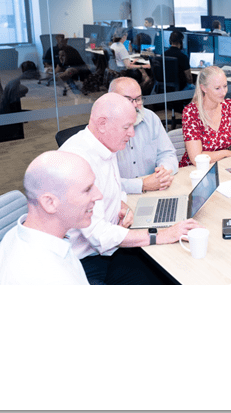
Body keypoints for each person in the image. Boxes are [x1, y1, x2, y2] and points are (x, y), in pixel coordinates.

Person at [60, 93, 199, 284]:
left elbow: (111, 188)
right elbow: (99, 236)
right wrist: (161, 235)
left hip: (107, 251)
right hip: (83, 263)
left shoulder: (105, 145)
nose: (132, 134)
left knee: (172, 272)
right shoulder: (78, 161)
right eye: (126, 127)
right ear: (102, 124)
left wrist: (121, 205)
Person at [0, 151, 100, 285]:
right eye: (87, 190)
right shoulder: (54, 279)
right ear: (50, 203)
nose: (99, 195)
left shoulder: (15, 233)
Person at [108, 77, 178, 193]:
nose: (135, 105)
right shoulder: (104, 129)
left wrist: (164, 172)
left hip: (155, 189)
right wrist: (142, 185)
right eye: (128, 100)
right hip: (119, 195)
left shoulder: (151, 118)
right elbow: (102, 182)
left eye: (138, 99)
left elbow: (167, 154)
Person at [180, 65, 231, 167]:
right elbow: (196, 158)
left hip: (223, 165)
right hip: (195, 170)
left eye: (225, 86)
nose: (223, 92)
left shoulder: (228, 106)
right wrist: (225, 153)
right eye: (217, 88)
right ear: (204, 88)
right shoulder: (191, 112)